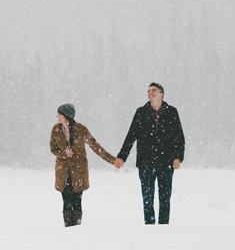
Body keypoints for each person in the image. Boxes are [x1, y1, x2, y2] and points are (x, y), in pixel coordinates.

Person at [114, 82, 186, 224]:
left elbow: (179, 137)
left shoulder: (172, 112)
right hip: (145, 162)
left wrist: (178, 157)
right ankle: (149, 229)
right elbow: (131, 136)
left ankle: (164, 228)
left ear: (161, 94)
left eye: (154, 90)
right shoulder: (141, 112)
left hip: (166, 162)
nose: (150, 93)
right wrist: (122, 156)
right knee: (147, 200)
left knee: (165, 199)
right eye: (148, 91)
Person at [49, 103, 118, 227]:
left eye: (59, 113)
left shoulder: (81, 129)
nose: (57, 116)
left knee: (77, 202)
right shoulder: (56, 129)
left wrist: (112, 160)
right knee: (66, 202)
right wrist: (65, 153)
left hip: (78, 173)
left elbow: (95, 146)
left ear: (66, 115)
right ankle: (68, 229)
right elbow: (52, 148)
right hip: (63, 173)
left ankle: (77, 229)